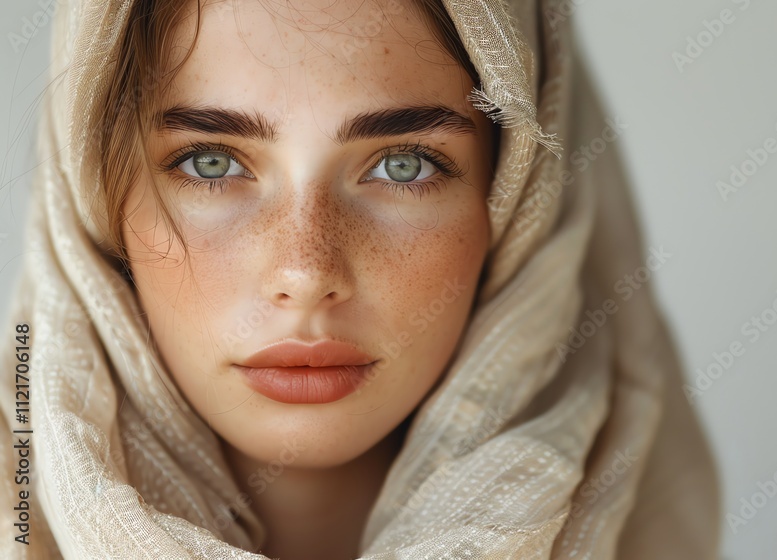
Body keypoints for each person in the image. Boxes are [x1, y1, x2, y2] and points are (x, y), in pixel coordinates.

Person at [0, 0, 721, 558]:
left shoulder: (648, 516)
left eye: (403, 164)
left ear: (516, 199)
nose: (306, 273)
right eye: (210, 162)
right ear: (92, 195)